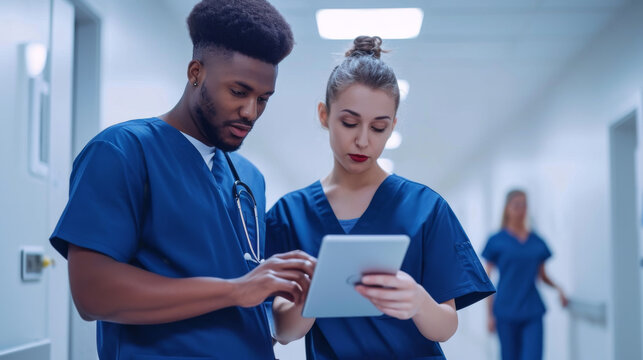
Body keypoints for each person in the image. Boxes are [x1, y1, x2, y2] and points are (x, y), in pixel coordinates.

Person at [48, 1, 316, 358]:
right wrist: (234, 290)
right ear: (196, 73)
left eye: (263, 99)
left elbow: (256, 316)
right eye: (238, 92)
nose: (250, 112)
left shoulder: (250, 179)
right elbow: (92, 293)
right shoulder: (122, 151)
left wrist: (301, 296)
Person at [265, 36, 495, 359]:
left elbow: (446, 326)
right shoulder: (290, 215)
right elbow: (282, 332)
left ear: (392, 126)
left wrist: (417, 300)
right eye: (349, 122)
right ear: (323, 115)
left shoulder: (426, 209)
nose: (362, 140)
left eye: (378, 128)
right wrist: (310, 301)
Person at [482, 189, 568, 360]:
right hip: (505, 311)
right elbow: (486, 280)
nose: (521, 210)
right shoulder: (496, 240)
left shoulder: (537, 241)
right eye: (517, 205)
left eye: (524, 205)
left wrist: (559, 288)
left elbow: (542, 276)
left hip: (532, 310)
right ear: (507, 208)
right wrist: (489, 315)